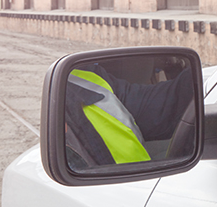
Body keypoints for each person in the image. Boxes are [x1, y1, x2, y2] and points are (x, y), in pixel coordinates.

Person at [65, 62, 194, 168]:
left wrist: (198, 78)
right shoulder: (60, 90)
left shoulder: (88, 80)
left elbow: (167, 102)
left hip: (144, 187)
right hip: (113, 194)